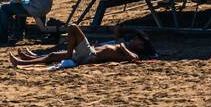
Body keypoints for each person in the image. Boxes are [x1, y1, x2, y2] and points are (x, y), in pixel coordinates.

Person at [9, 25, 157, 70]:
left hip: (90, 55)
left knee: (73, 28)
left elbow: (134, 59)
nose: (134, 39)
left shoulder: (131, 53)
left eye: (137, 39)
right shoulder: (124, 43)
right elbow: (118, 30)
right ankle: (24, 61)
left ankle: (68, 57)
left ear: (141, 45)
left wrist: (123, 46)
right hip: (89, 52)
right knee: (52, 55)